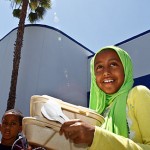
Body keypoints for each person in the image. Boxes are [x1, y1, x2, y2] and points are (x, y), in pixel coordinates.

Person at [60, 45, 150, 150]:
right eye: (99, 67)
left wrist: (96, 137)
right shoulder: (97, 114)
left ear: (126, 69)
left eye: (113, 64)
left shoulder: (138, 94)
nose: (106, 72)